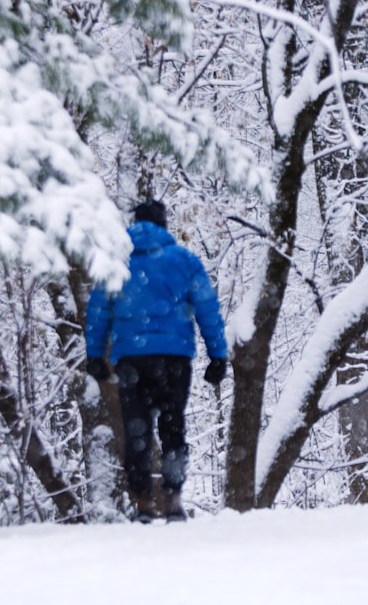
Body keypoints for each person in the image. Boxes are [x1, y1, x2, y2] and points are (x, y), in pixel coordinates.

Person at [84, 199, 229, 523]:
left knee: (137, 429)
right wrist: (218, 355)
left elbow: (98, 311)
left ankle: (143, 502)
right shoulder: (183, 260)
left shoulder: (117, 261)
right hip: (173, 358)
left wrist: (94, 355)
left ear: (134, 223)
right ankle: (174, 499)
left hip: (131, 360)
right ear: (163, 225)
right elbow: (207, 307)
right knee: (172, 425)